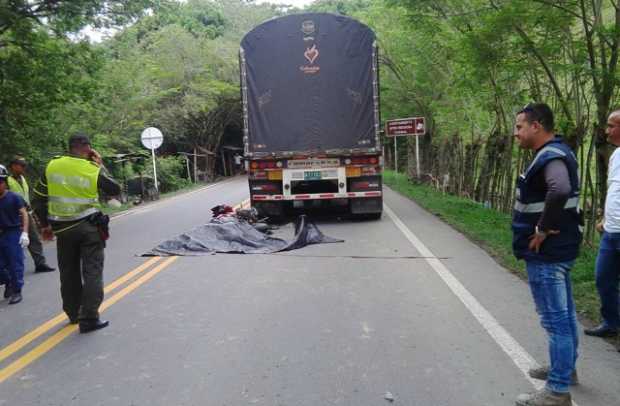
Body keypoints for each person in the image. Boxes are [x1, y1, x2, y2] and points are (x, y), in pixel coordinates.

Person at [512, 103, 582, 406]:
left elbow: (560, 189)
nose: (516, 133)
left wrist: (541, 228)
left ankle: (557, 391)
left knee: (555, 321)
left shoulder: (550, 156)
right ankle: (565, 370)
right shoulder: (557, 151)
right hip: (561, 248)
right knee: (564, 317)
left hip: (548, 253)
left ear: (536, 126)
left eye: (519, 127)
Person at [32, 133, 121, 333]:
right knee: (92, 272)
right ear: (88, 148)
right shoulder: (91, 169)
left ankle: (73, 314)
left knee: (68, 272)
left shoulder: (52, 166)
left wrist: (45, 226)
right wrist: (100, 165)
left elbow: (37, 199)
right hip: (89, 229)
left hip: (62, 230)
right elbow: (115, 189)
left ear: (69, 147)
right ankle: (88, 318)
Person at [584, 110, 620, 338]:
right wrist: (605, 219)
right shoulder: (616, 155)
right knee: (603, 278)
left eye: (611, 125)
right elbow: (614, 189)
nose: (606, 130)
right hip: (611, 231)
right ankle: (611, 322)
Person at [8, 156, 55, 273]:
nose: (24, 167)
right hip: (12, 215)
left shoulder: (22, 178)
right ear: (13, 166)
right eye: (21, 165)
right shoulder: (7, 181)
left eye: (24, 165)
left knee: (34, 239)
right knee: (12, 242)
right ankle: (9, 270)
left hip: (26, 213)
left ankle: (40, 264)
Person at [0, 164, 30, 304]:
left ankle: (17, 290)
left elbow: (24, 213)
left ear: (4, 183)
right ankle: (8, 282)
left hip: (12, 233)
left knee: (15, 263)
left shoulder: (14, 197)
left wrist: (24, 233)